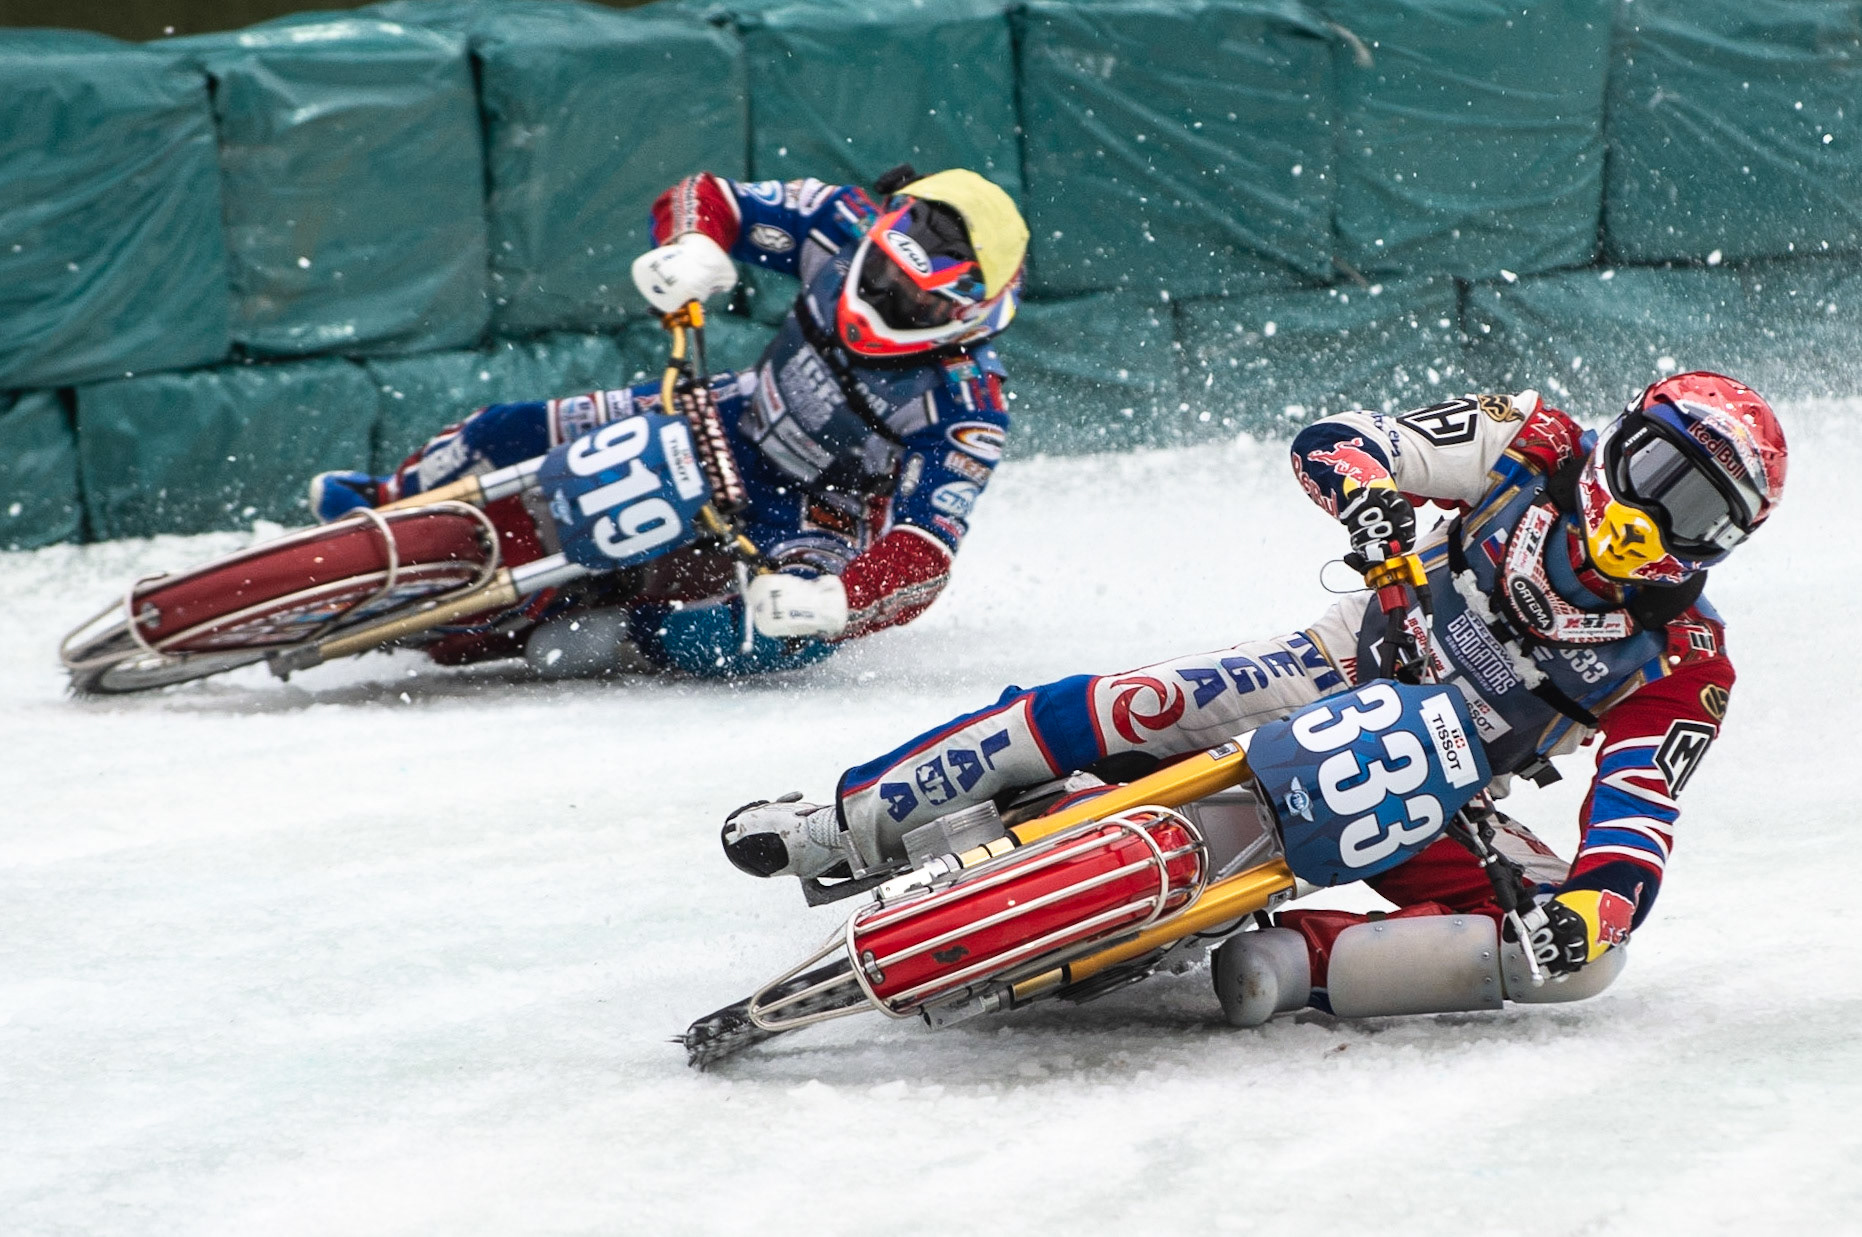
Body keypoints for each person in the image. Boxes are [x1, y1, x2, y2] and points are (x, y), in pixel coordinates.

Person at [721, 373, 1788, 1023]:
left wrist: (1600, 903)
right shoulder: (1530, 440)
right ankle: (844, 825)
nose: (1652, 517)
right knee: (1109, 703)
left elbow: (1637, 810)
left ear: (1721, 547)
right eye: (1656, 471)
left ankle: (1290, 961)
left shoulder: (1684, 660)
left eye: (1696, 513)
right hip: (1327, 663)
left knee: (1581, 968)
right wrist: (1369, 501)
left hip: (1434, 788)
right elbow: (1341, 438)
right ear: (1619, 439)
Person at [307, 166, 1028, 678]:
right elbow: (707, 195)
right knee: (504, 430)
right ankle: (386, 500)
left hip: (817, 516)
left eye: (921, 302)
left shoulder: (969, 407)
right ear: (883, 231)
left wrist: (836, 599)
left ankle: (630, 632)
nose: (891, 297)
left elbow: (925, 550)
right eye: (886, 274)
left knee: (776, 638)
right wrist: (696, 245)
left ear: (971, 312)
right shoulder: (839, 219)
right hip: (727, 414)